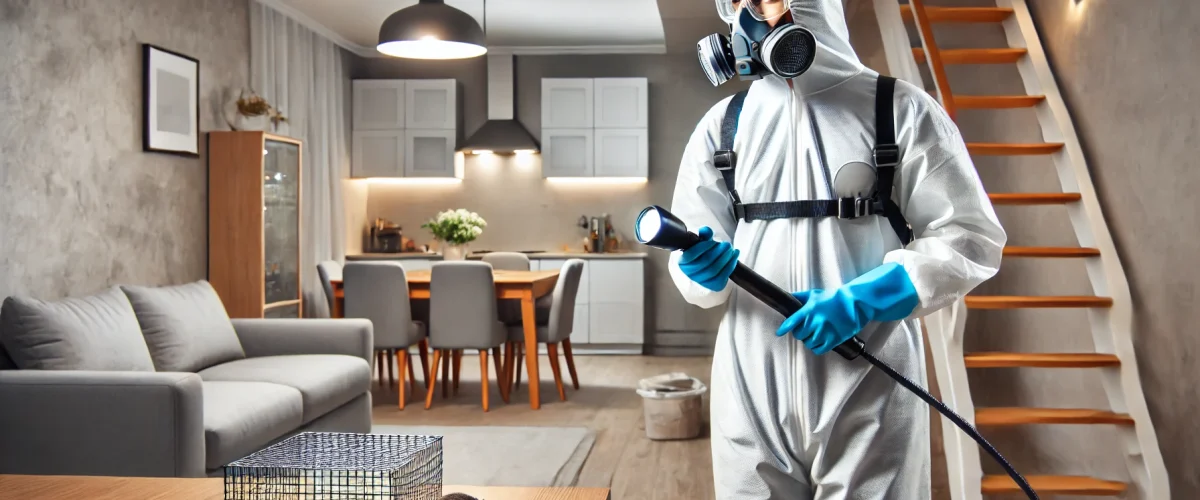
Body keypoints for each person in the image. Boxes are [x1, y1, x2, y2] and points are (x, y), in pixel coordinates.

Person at [667, 0, 1008, 498]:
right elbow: (690, 242)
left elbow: (970, 235)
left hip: (869, 376)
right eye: (737, 1)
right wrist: (700, 267)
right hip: (750, 379)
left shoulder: (899, 109)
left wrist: (862, 300)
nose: (747, 15)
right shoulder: (724, 126)